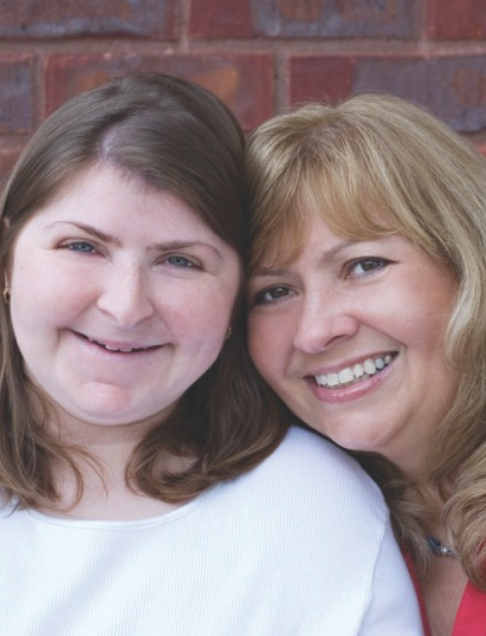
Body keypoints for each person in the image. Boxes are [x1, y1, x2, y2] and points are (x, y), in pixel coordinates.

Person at [0, 73, 421, 634]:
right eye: (82, 246)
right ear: (7, 263)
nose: (126, 307)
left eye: (181, 261)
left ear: (234, 302)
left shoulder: (313, 513)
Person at [245, 91, 486, 635]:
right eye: (274, 292)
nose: (315, 331)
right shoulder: (311, 521)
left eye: (363, 265)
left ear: (467, 262)